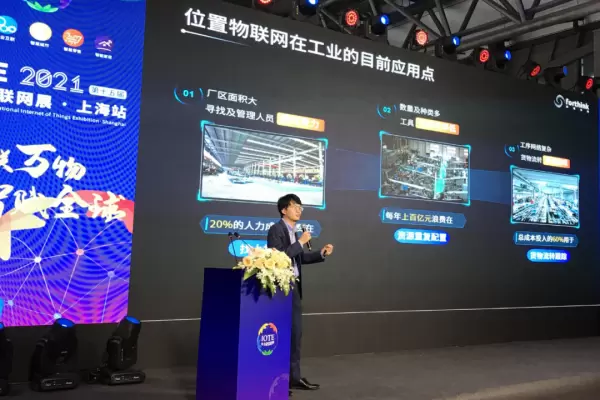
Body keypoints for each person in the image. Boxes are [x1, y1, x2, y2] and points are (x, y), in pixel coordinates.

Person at [267, 194, 334, 395]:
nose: (299, 210)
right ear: (283, 210)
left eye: (300, 207)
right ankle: (277, 380)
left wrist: (321, 253)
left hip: (294, 288)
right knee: (280, 335)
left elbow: (299, 258)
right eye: (295, 206)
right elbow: (278, 257)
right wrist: (301, 241)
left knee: (295, 334)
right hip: (281, 289)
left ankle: (294, 378)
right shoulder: (276, 230)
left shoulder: (295, 232)